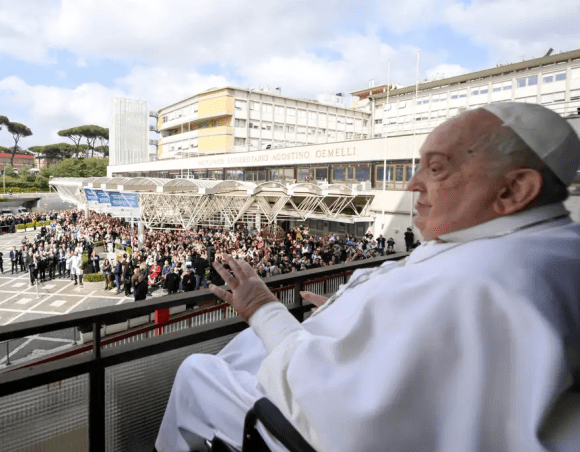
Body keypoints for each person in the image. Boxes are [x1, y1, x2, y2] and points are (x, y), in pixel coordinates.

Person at [156, 103, 580, 451]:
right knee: (246, 349)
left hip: (310, 423)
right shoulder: (540, 244)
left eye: (436, 168)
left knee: (197, 371)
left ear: (514, 190)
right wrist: (350, 314)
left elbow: (345, 413)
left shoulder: (480, 278)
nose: (413, 184)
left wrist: (262, 307)